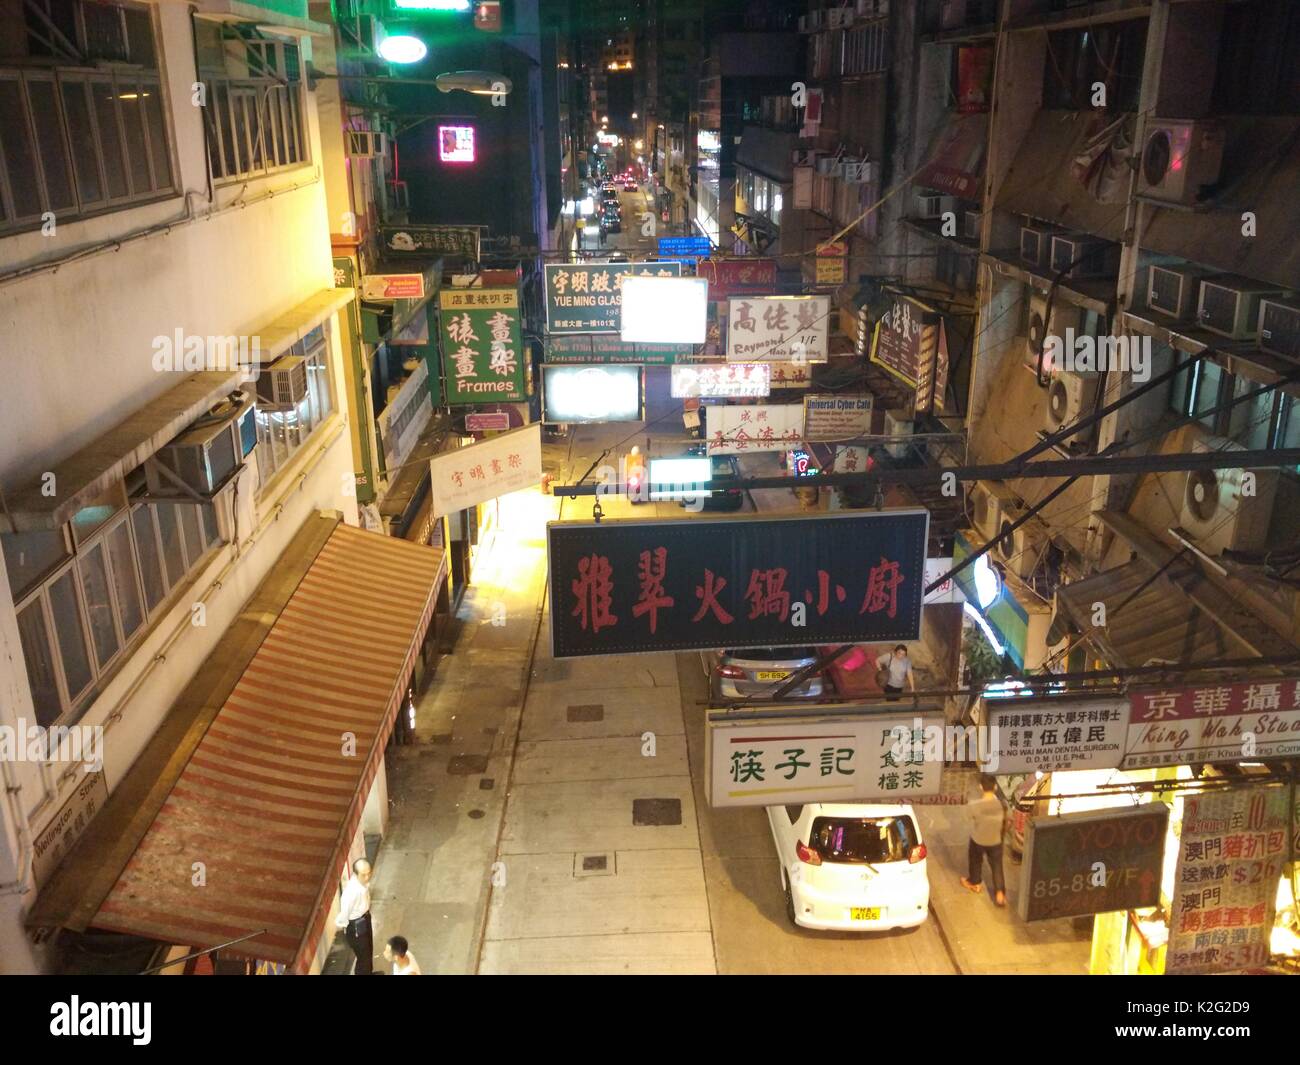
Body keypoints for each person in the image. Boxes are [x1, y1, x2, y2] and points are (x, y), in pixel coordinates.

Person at [961, 774, 1007, 907]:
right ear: (996, 787)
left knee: (975, 860)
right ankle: (1000, 894)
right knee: (997, 866)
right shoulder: (1002, 804)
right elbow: (1008, 820)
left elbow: (968, 818)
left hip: (978, 839)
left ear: (981, 787)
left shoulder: (975, 805)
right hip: (996, 841)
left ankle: (975, 883)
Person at [335, 858, 374, 974]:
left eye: (369, 873)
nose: (367, 877)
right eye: (363, 875)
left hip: (365, 918)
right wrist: (347, 929)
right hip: (356, 925)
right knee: (363, 957)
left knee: (369, 950)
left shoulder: (363, 884)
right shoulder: (351, 892)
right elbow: (344, 914)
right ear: (356, 874)